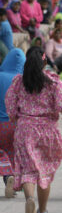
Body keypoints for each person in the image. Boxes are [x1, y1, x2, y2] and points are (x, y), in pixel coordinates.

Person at [5, 46, 62, 213]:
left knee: (28, 170)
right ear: (44, 61)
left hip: (25, 129)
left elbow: (10, 107)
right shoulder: (53, 82)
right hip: (47, 131)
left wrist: (16, 118)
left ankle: (29, 200)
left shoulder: (18, 82)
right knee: (44, 171)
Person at [0, 49, 25, 198]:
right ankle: (11, 180)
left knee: (2, 153)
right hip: (16, 125)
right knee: (13, 154)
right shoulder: (22, 79)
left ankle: (7, 176)